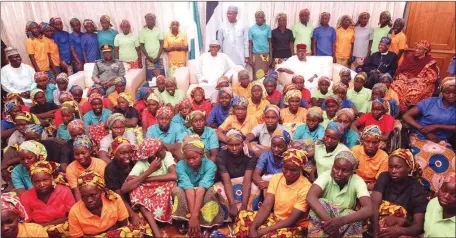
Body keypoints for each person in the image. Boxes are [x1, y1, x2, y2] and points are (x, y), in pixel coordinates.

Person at [234, 148, 312, 237]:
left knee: (271, 236)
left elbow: (291, 220)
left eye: (293, 170)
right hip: (275, 218)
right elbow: (266, 206)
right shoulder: (277, 178)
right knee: (242, 215)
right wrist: (253, 227)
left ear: (300, 169)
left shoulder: (306, 187)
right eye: (285, 168)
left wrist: (261, 232)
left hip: (293, 226)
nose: (288, 173)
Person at [402, 77, 455, 194]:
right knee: (423, 161)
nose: (451, 95)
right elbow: (406, 116)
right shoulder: (430, 102)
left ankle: (444, 191)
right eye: (448, 92)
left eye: (454, 92)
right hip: (419, 137)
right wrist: (424, 130)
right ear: (442, 92)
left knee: (450, 157)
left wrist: (437, 126)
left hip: (441, 140)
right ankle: (425, 190)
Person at [307, 151, 373, 237]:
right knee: (320, 203)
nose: (339, 173)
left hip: (345, 222)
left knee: (354, 215)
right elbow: (310, 197)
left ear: (352, 171)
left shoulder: (357, 181)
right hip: (325, 220)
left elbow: (369, 209)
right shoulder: (327, 175)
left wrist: (340, 221)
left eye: (345, 170)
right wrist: (330, 222)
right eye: (336, 168)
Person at [121, 138, 176, 236]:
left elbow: (173, 176)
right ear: (153, 154)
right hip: (150, 192)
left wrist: (146, 178)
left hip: (165, 190)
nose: (165, 150)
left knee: (171, 184)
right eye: (161, 149)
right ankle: (156, 232)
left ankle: (171, 222)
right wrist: (149, 170)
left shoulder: (166, 155)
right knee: (135, 190)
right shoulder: (142, 163)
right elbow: (124, 188)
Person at [103, 137, 156, 236]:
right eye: (122, 153)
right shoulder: (110, 169)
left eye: (129, 152)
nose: (127, 156)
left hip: (137, 200)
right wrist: (132, 214)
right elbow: (118, 196)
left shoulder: (134, 162)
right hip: (121, 203)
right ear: (114, 153)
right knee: (137, 229)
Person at [172, 134, 224, 236]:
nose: (191, 161)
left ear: (201, 154)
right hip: (188, 192)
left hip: (203, 192)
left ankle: (206, 224)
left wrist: (195, 216)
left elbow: (201, 189)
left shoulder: (210, 165)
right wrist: (193, 217)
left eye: (194, 158)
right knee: (177, 190)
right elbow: (189, 189)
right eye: (188, 158)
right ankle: (185, 221)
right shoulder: (180, 165)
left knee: (212, 192)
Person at [370, 149, 428, 238]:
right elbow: (374, 205)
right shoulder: (384, 177)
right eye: (390, 167)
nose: (393, 171)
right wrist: (375, 230)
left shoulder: (417, 189)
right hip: (378, 223)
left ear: (409, 168)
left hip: (403, 227)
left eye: (398, 167)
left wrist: (399, 231)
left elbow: (419, 226)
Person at [68, 171, 139, 237]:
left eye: (93, 195)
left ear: (102, 191)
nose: (89, 200)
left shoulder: (114, 199)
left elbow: (123, 225)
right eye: (83, 196)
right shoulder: (75, 212)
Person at [20, 161, 75, 237]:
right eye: (37, 182)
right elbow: (28, 222)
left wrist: (48, 226)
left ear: (51, 178)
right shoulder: (26, 196)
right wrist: (46, 228)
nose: (42, 185)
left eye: (45, 180)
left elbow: (71, 215)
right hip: (37, 232)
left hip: (64, 228)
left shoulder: (64, 191)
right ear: (32, 182)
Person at [214, 129, 257, 217]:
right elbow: (226, 181)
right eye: (231, 145)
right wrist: (232, 204)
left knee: (256, 190)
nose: (234, 148)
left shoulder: (250, 155)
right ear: (226, 145)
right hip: (228, 182)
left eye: (237, 145)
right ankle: (228, 219)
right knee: (218, 191)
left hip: (245, 181)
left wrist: (244, 204)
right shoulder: (221, 156)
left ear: (242, 143)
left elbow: (247, 180)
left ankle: (248, 218)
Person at [391, 40, 439, 112]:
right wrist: (404, 78)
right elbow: (400, 70)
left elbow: (432, 78)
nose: (416, 50)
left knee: (412, 92)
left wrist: (416, 79)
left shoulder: (430, 61)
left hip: (421, 81)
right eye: (416, 48)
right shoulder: (410, 58)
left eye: (419, 49)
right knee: (395, 87)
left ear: (425, 51)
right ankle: (396, 111)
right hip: (405, 78)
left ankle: (409, 112)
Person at [65, 135, 107, 201]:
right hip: (83, 198)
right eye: (77, 154)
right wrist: (82, 208)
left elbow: (103, 188)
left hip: (100, 197)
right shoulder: (71, 168)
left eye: (83, 153)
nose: (80, 157)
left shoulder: (100, 164)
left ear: (90, 151)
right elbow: (76, 191)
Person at [352, 125, 388, 190]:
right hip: (353, 182)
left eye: (375, 142)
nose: (370, 145)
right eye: (367, 141)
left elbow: (379, 181)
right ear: (363, 141)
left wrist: (365, 187)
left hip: (372, 186)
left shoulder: (384, 156)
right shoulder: (355, 150)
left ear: (379, 142)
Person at [140, 13, 164, 80]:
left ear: (154, 21)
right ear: (146, 20)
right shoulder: (142, 31)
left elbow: (162, 44)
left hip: (158, 58)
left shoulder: (158, 30)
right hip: (148, 59)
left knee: (161, 78)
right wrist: (148, 57)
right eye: (148, 19)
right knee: (151, 79)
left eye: (152, 19)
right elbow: (142, 46)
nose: (150, 21)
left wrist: (158, 56)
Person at [249, 11, 272, 80]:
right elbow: (250, 44)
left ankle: (265, 89)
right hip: (256, 54)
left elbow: (270, 42)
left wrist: (271, 55)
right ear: (256, 18)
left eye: (262, 17)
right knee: (257, 74)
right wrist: (250, 57)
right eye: (259, 17)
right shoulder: (251, 29)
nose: (261, 19)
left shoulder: (267, 28)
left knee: (265, 75)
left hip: (265, 54)